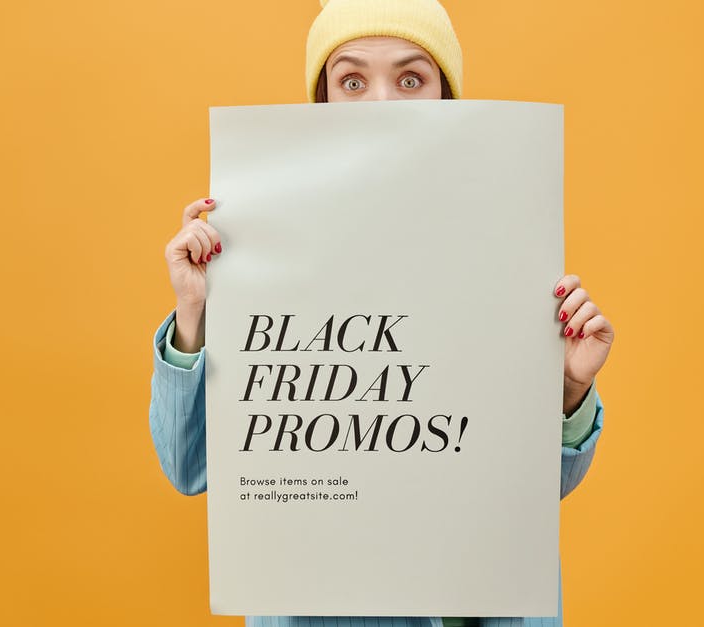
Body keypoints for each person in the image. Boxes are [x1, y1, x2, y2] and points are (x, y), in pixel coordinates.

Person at [148, 2, 615, 626]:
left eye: (412, 79)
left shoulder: (507, 247)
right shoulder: (255, 257)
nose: (382, 105)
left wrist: (565, 387)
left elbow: (531, 494)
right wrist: (194, 313)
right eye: (351, 81)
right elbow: (188, 470)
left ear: (447, 100)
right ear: (321, 103)